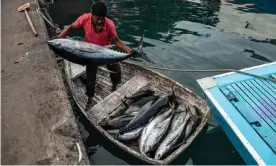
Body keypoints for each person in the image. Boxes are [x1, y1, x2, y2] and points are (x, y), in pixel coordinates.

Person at [56, 1, 138, 111]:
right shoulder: (85, 18)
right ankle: (90, 99)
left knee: (117, 71)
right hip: (89, 54)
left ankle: (114, 87)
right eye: (97, 18)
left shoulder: (109, 24)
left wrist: (130, 50)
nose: (99, 20)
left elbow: (116, 41)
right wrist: (58, 38)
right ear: (91, 14)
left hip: (105, 52)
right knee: (91, 79)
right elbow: (71, 27)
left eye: (102, 18)